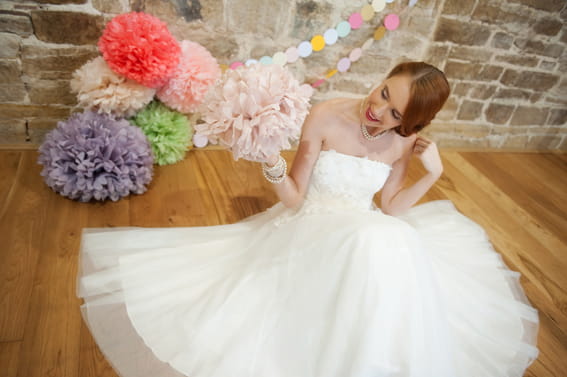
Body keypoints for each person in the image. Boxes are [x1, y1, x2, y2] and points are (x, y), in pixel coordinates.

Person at [78, 62, 539, 377]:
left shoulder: (401, 144)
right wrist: (271, 165)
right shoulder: (325, 116)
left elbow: (392, 209)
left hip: (366, 227)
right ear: (382, 79)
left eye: (396, 113)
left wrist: (432, 174)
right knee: (376, 243)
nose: (377, 109)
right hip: (314, 221)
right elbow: (296, 198)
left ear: (411, 123)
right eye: (383, 92)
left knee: (391, 241)